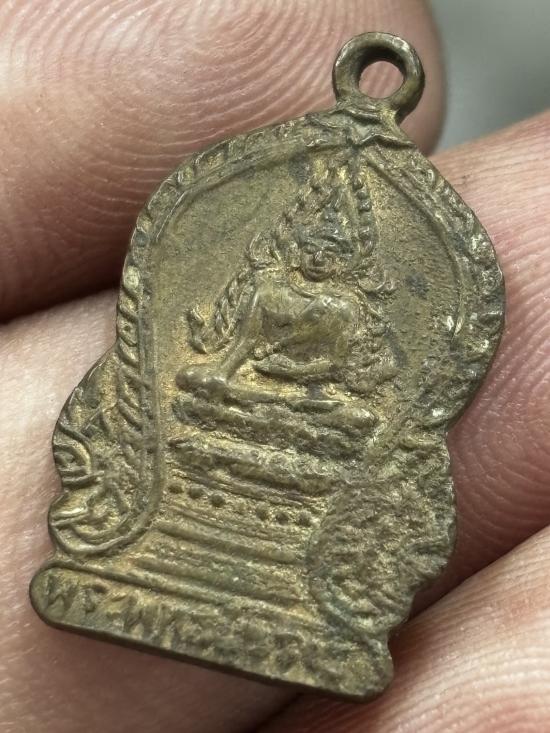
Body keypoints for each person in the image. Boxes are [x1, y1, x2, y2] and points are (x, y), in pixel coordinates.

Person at [2, 1, 550, 731]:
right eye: (312, 239)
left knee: (348, 423)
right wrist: (223, 375)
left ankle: (303, 592)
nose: (321, 252)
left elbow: (358, 381)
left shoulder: (349, 309)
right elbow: (227, 356)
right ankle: (146, 548)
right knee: (195, 387)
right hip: (240, 402)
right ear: (293, 236)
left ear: (354, 252)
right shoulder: (267, 288)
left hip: (311, 414)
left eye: (336, 245)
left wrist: (321, 391)